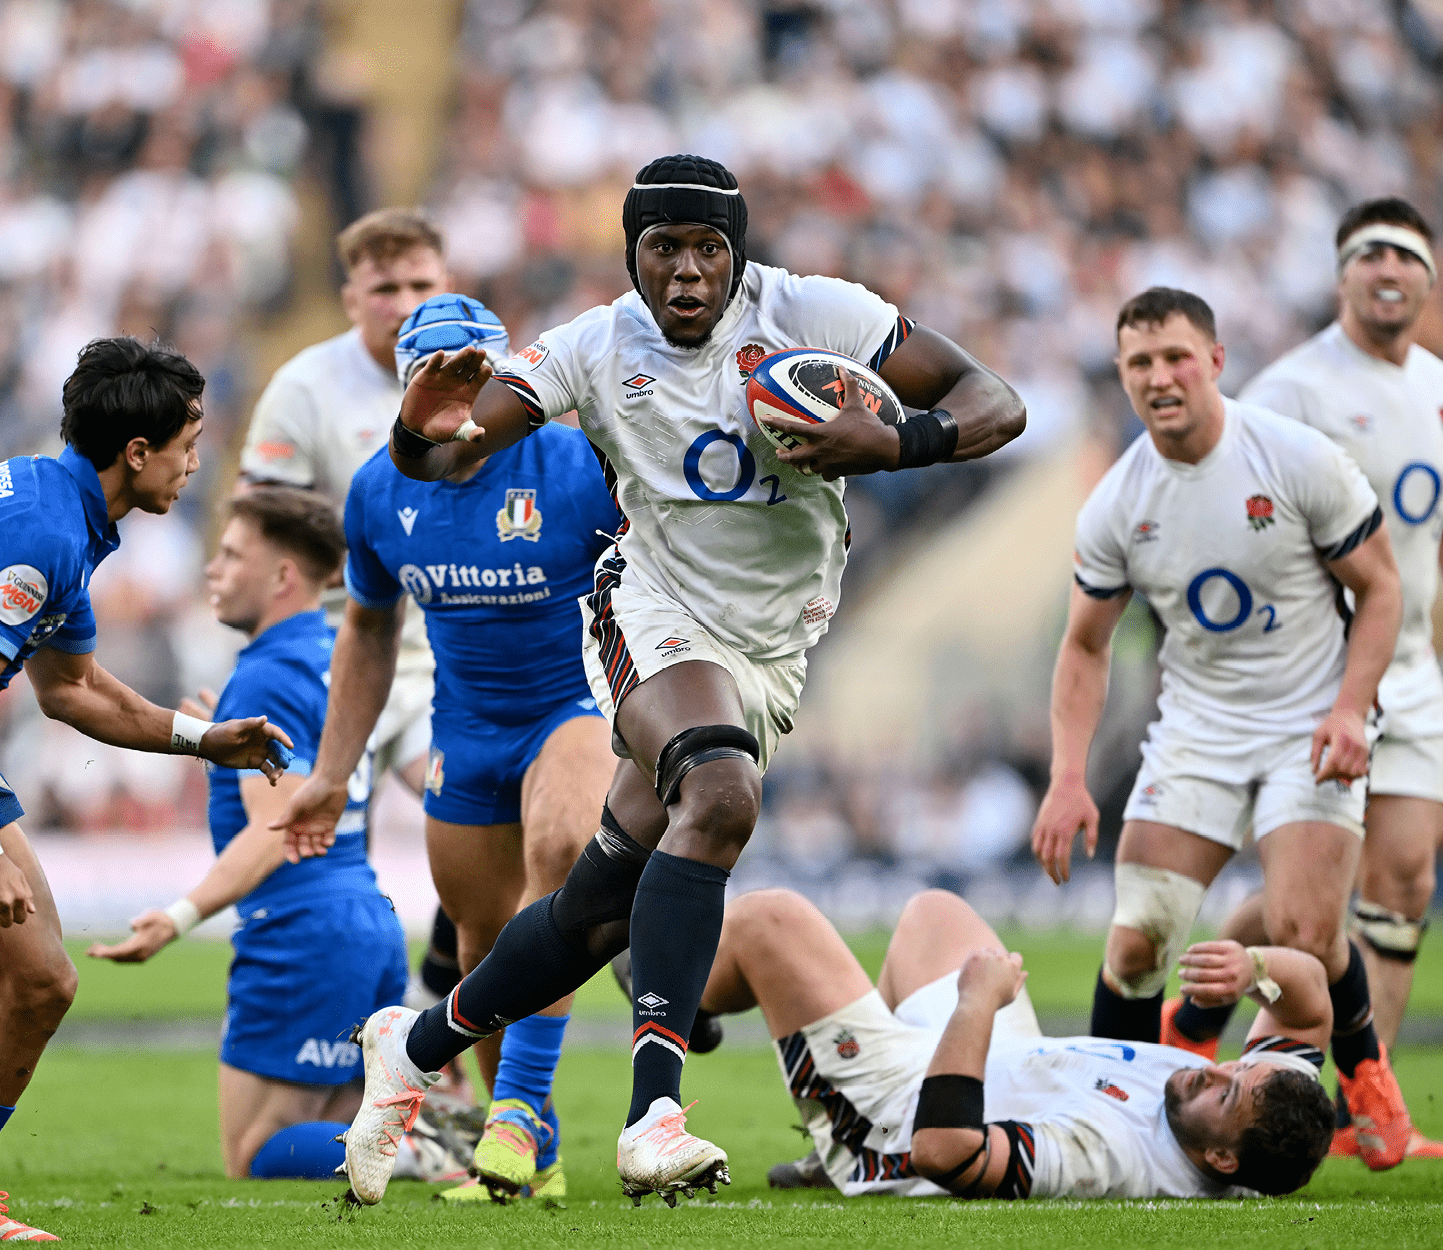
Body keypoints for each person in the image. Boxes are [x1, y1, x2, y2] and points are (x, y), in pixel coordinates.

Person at [279, 153, 1026, 1207]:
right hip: (652, 613)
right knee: (717, 793)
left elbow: (993, 400)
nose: (685, 271)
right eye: (662, 248)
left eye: (707, 248)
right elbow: (444, 456)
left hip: (771, 645)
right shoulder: (589, 345)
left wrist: (898, 436)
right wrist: (418, 424)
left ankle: (412, 1045)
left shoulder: (817, 312)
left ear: (739, 252)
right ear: (630, 255)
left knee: (593, 908)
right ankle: (653, 1114)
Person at [1171, 198, 1443, 1161]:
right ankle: (1234, 1015)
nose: (1388, 268)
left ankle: (1362, 1106)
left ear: (1429, 280)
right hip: (1317, 677)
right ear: (1341, 275)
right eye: (1369, 252)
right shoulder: (1289, 391)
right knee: (1311, 908)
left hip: (1413, 671)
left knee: (1405, 879)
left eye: (1407, 255)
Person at [0, 338, 293, 1241]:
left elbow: (72, 689)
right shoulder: (42, 532)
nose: (198, 465)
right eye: (190, 444)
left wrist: (203, 739)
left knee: (39, 986)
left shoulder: (66, 513)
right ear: (138, 453)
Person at [1028, 287, 1415, 1172]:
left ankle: (1362, 1072)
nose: (1159, 377)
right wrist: (1065, 776)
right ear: (1122, 377)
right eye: (1139, 363)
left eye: (1174, 357)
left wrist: (1352, 707)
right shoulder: (1118, 501)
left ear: (1214, 361)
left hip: (1310, 719)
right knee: (1135, 942)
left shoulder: (1293, 458)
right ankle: (1115, 1128)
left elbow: (1383, 589)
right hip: (1197, 730)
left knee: (1305, 934)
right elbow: (1083, 647)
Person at [273, 298, 622, 1203]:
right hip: (465, 734)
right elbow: (368, 629)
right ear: (405, 390)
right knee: (483, 948)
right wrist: (332, 771)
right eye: (442, 377)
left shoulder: (580, 462)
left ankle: (514, 1113)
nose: (465, 397)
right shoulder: (377, 492)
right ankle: (533, 1157)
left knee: (560, 855)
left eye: (481, 374)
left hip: (574, 707)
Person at [86, 487, 466, 1184]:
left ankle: (433, 1147)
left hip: (301, 932)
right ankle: (431, 1135)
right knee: (350, 1128)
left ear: (283, 576)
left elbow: (275, 829)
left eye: (232, 556)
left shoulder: (265, 672)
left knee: (256, 1146)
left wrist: (177, 917)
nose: (212, 570)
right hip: (362, 917)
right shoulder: (335, 655)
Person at [237, 208, 483, 1093]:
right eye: (386, 289)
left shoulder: (488, 378)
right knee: (310, 863)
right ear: (352, 298)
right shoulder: (306, 387)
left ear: (446, 281)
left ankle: (432, 1007)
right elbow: (260, 525)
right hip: (333, 656)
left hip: (444, 658)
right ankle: (297, 1067)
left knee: (487, 827)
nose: (405, 303)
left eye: (422, 284)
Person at [701, 888, 1335, 1201]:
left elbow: (944, 1151)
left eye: (1225, 1098)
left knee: (770, 920)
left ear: (1223, 1161)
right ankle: (837, 1100)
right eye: (1235, 1070)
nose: (1213, 1073)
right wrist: (1256, 968)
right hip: (1003, 1054)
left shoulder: (1110, 1157)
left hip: (908, 1115)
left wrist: (978, 1001)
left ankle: (675, 1006)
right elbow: (1309, 1010)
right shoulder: (1270, 1104)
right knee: (936, 914)